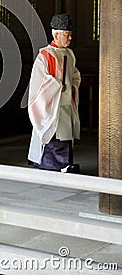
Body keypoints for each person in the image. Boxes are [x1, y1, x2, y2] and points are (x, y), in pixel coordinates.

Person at [27, 13, 81, 173]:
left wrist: (71, 85)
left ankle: (65, 163)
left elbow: (75, 75)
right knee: (53, 134)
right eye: (67, 34)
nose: (70, 38)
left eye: (70, 34)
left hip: (65, 102)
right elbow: (39, 81)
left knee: (65, 134)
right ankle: (53, 164)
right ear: (56, 34)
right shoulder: (44, 55)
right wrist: (57, 85)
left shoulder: (69, 54)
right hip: (51, 104)